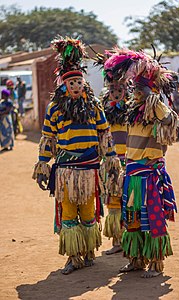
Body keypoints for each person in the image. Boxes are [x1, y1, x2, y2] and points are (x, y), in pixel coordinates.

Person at [32, 36, 121, 275]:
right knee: (68, 212)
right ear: (64, 85)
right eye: (71, 83)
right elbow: (48, 137)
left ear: (84, 83)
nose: (76, 86)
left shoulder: (93, 106)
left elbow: (104, 133)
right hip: (65, 169)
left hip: (89, 166)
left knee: (89, 211)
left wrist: (111, 159)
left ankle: (89, 250)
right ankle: (74, 256)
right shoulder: (55, 108)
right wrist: (42, 164)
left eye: (79, 81)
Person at [105, 48, 178, 278]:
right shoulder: (133, 111)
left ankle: (156, 262)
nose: (134, 92)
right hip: (132, 171)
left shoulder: (156, 108)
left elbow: (170, 119)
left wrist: (151, 96)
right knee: (133, 219)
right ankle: (136, 260)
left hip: (149, 173)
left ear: (149, 90)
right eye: (134, 88)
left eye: (138, 89)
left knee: (152, 218)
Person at [97, 49, 132, 255]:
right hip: (110, 162)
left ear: (126, 91)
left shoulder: (132, 111)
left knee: (130, 200)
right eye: (113, 90)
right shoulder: (104, 112)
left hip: (129, 160)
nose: (116, 93)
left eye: (120, 90)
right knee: (113, 200)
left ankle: (129, 238)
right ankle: (117, 241)